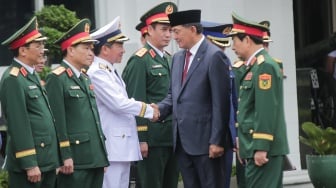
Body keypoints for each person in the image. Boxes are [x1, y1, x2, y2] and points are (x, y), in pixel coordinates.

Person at [157, 10, 232, 188]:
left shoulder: (214, 56)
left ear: (192, 29)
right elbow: (173, 95)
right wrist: (158, 109)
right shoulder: (177, 58)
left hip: (206, 145)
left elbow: (220, 103)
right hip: (183, 143)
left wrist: (216, 141)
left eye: (176, 31)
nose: (173, 37)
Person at [87, 16, 159, 188]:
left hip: (120, 146)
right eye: (119, 45)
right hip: (112, 147)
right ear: (105, 49)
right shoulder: (97, 72)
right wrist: (149, 110)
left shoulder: (109, 70)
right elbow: (119, 103)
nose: (123, 50)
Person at [45, 18, 109, 188]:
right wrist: (64, 155)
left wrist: (101, 155)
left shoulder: (85, 78)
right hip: (75, 158)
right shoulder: (57, 78)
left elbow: (93, 119)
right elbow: (56, 120)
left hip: (94, 157)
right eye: (86, 48)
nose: (91, 53)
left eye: (92, 49)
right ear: (71, 50)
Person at [122, 2, 179, 188]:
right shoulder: (140, 60)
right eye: (163, 29)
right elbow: (135, 100)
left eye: (170, 30)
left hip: (171, 137)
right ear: (149, 30)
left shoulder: (170, 59)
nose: (168, 34)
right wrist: (141, 139)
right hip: (153, 139)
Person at [229, 12, 289, 188]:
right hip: (252, 146)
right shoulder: (255, 66)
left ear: (247, 40)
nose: (233, 47)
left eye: (235, 41)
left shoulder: (265, 67)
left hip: (261, 149)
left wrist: (261, 147)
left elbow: (265, 110)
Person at [0, 16, 60, 188]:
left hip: (45, 158)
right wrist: (29, 163)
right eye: (38, 45)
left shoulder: (30, 75)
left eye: (43, 45)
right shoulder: (13, 78)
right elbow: (18, 123)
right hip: (31, 163)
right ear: (23, 51)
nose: (43, 50)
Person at [202, 21, 237, 188]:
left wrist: (235, 133)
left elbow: (233, 101)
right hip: (207, 136)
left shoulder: (227, 63)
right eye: (218, 46)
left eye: (224, 47)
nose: (222, 51)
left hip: (227, 136)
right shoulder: (200, 64)